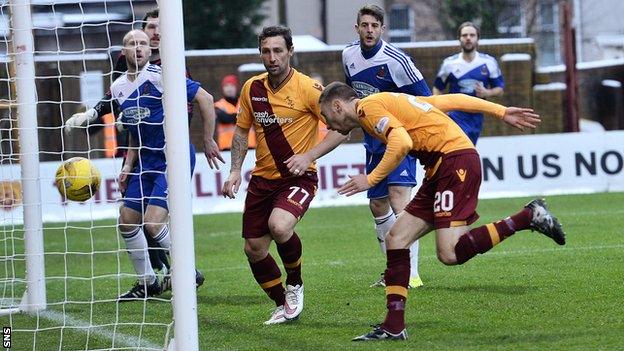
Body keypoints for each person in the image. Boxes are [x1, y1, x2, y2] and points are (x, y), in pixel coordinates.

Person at [317, 82, 566, 341]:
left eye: (326, 116)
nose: (328, 124)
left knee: (449, 253)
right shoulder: (386, 101)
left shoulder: (367, 109)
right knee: (396, 238)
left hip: (454, 162)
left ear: (338, 105)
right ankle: (393, 326)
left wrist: (370, 179)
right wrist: (500, 112)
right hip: (440, 167)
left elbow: (400, 141)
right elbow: (451, 100)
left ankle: (528, 217)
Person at [221, 25, 347, 325]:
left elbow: (342, 128)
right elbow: (241, 131)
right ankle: (283, 303)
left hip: (298, 178)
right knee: (253, 249)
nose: (272, 57)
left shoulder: (308, 88)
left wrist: (308, 156)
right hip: (262, 180)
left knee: (279, 226)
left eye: (278, 50)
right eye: (266, 51)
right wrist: (235, 170)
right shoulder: (252, 88)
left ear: (290, 51)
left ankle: (295, 283)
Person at [64, 8, 191, 280]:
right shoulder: (126, 63)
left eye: (159, 27)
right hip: (137, 151)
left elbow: (188, 108)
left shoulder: (173, 65)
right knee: (130, 217)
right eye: (150, 28)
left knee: (155, 221)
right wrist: (93, 116)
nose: (154, 32)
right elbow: (115, 96)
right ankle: (153, 278)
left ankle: (178, 271)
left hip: (168, 151)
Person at [108, 30, 222, 300]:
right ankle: (148, 282)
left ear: (150, 50)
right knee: (127, 221)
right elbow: (136, 132)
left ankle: (187, 273)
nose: (138, 48)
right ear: (123, 52)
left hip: (173, 159)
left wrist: (207, 140)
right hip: (144, 162)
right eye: (132, 44)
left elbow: (205, 99)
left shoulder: (163, 77)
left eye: (143, 44)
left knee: (154, 223)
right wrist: (127, 166)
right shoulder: (118, 88)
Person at [342, 5, 430, 288]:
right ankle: (392, 271)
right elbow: (353, 96)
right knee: (378, 205)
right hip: (373, 141)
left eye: (374, 26)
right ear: (357, 28)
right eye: (364, 25)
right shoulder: (348, 55)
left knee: (398, 198)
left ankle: (410, 274)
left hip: (400, 139)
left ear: (382, 29)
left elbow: (426, 99)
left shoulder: (397, 60)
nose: (369, 30)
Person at [433, 21, 505, 145]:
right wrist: (442, 109)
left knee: (469, 149)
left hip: (477, 115)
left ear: (478, 39)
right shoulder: (449, 64)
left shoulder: (488, 62)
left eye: (472, 35)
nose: (468, 38)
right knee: (460, 147)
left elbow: (500, 90)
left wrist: (487, 92)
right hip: (455, 115)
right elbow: (437, 88)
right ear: (459, 39)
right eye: (464, 35)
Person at [214, 74, 256, 150]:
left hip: (248, 146)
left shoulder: (246, 102)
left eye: (231, 86)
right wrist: (241, 116)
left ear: (236, 88)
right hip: (227, 147)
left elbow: (252, 116)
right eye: (226, 86)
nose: (229, 89)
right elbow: (224, 118)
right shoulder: (218, 105)